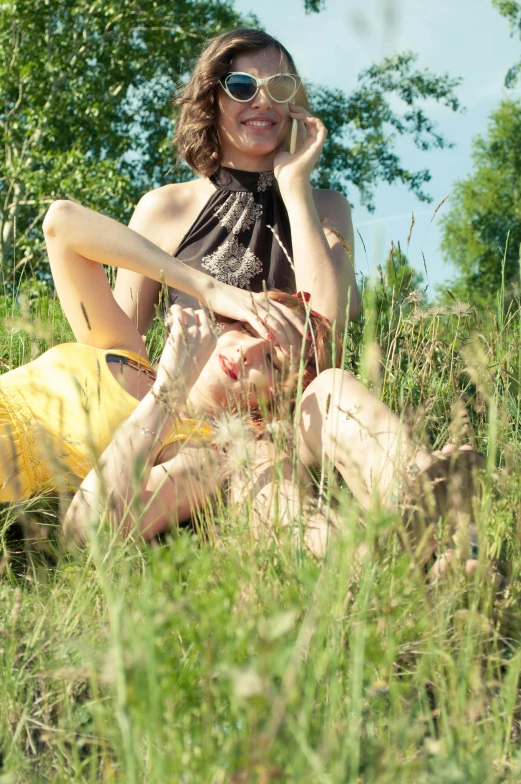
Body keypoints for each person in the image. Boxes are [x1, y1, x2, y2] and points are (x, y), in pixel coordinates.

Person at [112, 28, 360, 337]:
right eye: (242, 87)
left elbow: (329, 317)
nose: (263, 101)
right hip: (194, 385)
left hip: (298, 386)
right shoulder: (165, 209)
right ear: (211, 99)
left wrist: (296, 189)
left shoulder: (326, 207)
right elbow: (117, 344)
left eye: (280, 87)